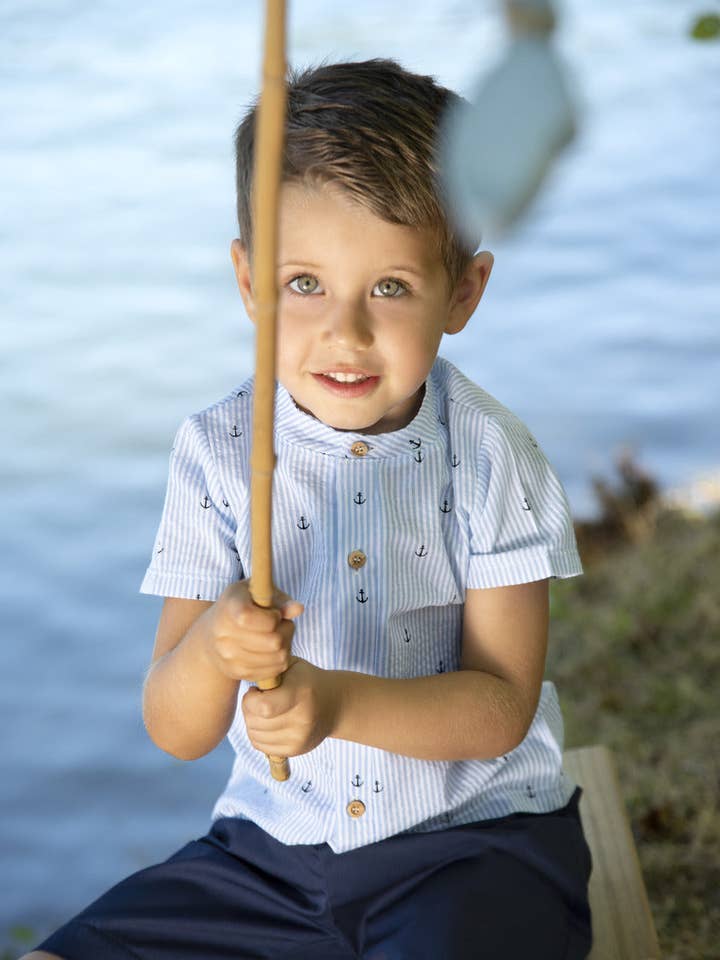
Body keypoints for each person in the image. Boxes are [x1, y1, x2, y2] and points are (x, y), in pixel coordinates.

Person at [25, 58, 593, 960]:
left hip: (471, 849)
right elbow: (178, 730)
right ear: (249, 282)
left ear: (464, 293)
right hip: (268, 859)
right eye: (304, 284)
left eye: (391, 288)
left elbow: (499, 710)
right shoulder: (217, 455)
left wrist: (333, 703)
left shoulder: (489, 455)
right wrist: (214, 648)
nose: (346, 331)